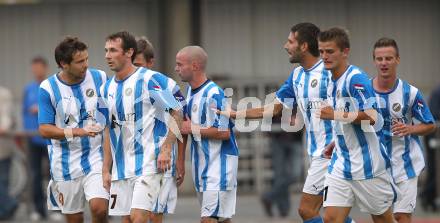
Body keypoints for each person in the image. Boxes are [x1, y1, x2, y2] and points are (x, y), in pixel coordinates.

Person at [218, 23, 354, 223]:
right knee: (331, 215)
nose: (285, 46)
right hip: (317, 154)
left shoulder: (329, 73)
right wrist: (236, 113)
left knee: (309, 210)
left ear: (304, 46)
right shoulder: (297, 76)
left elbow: (354, 108)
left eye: (290, 41)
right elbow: (272, 109)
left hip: (335, 154)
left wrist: (343, 139)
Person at [101, 31, 183, 223]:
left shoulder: (149, 79)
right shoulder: (106, 89)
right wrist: (106, 168)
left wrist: (166, 148)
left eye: (113, 50)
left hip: (150, 163)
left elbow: (177, 112)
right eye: (106, 51)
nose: (107, 55)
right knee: (128, 220)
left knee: (140, 218)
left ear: (129, 52)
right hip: (121, 168)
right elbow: (109, 129)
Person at [316, 27, 395, 223]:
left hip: (368, 167)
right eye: (321, 51)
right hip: (341, 164)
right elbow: (347, 120)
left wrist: (334, 114)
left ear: (345, 51)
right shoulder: (331, 79)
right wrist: (337, 141)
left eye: (330, 51)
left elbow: (372, 116)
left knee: (383, 220)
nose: (324, 56)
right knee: (331, 219)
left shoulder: (355, 79)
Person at [38, 37, 109, 223]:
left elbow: (107, 109)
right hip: (64, 163)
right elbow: (45, 129)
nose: (86, 65)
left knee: (100, 208)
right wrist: (78, 131)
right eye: (80, 61)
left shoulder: (99, 77)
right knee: (75, 219)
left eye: (86, 59)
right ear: (64, 64)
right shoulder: (48, 88)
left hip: (96, 156)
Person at [371, 37, 436, 222]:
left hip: (405, 165)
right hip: (376, 167)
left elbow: (430, 124)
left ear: (397, 60)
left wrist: (410, 129)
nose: (384, 63)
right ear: (374, 61)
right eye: (380, 59)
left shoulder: (411, 92)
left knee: (401, 215)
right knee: (381, 218)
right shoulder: (364, 90)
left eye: (389, 58)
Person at [176, 46, 239, 223]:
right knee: (221, 219)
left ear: (194, 66)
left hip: (219, 167)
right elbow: (184, 128)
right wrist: (180, 162)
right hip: (203, 167)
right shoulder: (189, 92)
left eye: (180, 64)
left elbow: (224, 132)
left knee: (208, 220)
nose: (176, 68)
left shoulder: (214, 93)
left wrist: (192, 128)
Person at [133, 36, 186, 223]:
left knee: (153, 216)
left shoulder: (166, 85)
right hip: (131, 162)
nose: (135, 69)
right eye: (132, 64)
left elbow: (181, 123)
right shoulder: (124, 86)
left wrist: (180, 159)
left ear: (151, 62)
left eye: (139, 64)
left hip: (158, 161)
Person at [22, 56, 50, 220]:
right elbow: (24, 112)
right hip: (33, 139)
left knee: (54, 174)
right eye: (34, 67)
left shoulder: (50, 86)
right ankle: (39, 211)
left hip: (50, 138)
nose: (36, 70)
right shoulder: (28, 89)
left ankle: (58, 210)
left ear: (45, 68)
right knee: (35, 175)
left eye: (39, 67)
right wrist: (27, 134)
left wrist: (39, 109)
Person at [0, 86, 18, 220]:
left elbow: (6, 118)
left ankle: (10, 204)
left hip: (3, 145)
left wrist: (4, 128)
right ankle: (5, 210)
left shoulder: (3, 94)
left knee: (3, 180)